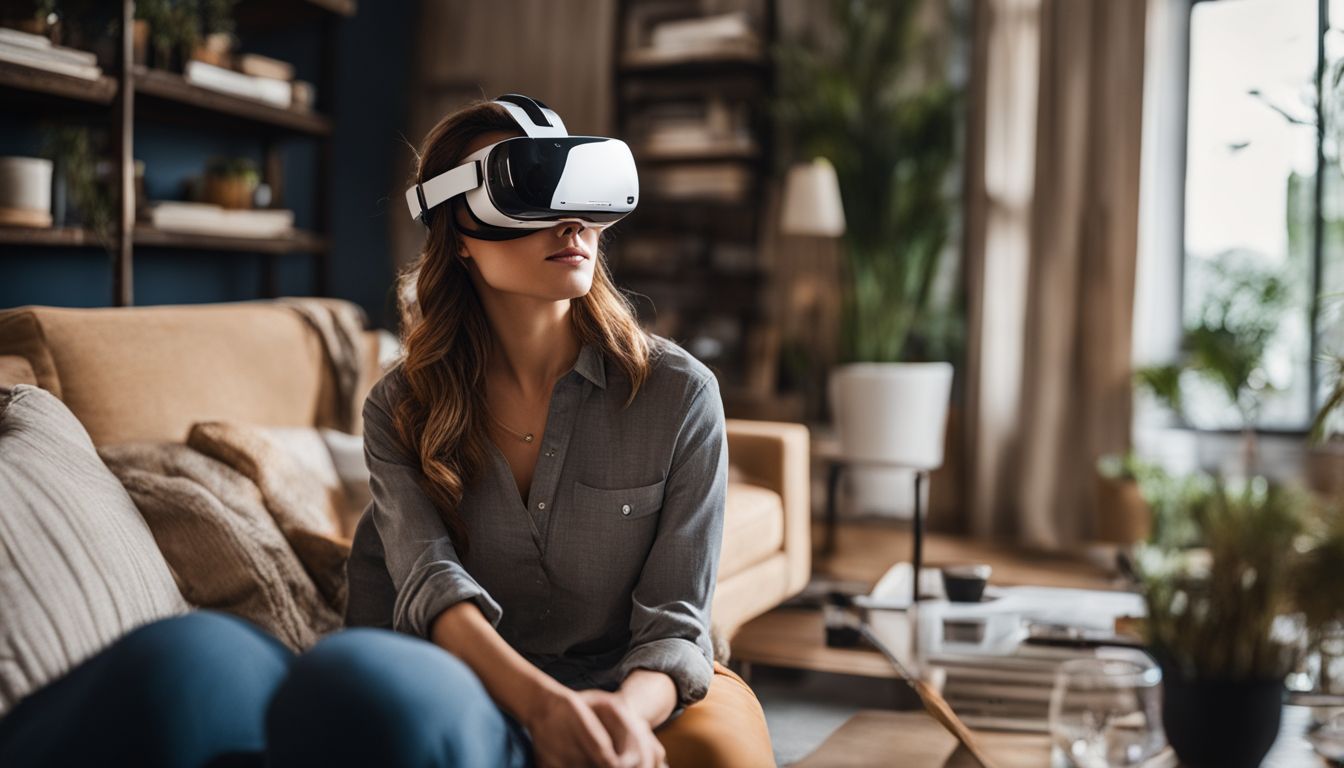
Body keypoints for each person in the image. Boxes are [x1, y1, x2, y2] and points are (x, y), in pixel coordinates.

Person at [342, 97, 775, 768]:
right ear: (457, 230)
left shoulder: (680, 394)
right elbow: (434, 587)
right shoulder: (398, 407)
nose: (572, 223)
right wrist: (544, 709)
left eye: (578, 190)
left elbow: (675, 623)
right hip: (461, 684)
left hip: (635, 686)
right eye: (527, 192)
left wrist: (618, 724)